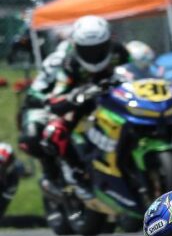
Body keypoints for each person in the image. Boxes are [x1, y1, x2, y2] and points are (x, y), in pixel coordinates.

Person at [19, 15, 129, 199]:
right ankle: (70, 174)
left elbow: (137, 71)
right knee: (51, 132)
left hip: (111, 96)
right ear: (75, 46)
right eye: (87, 50)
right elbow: (52, 90)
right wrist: (60, 100)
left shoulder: (119, 52)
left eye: (99, 48)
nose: (94, 55)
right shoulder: (66, 60)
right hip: (67, 101)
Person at [0, 142, 28, 219]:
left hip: (7, 185)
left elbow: (26, 173)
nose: (2, 166)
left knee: (4, 202)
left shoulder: (16, 168)